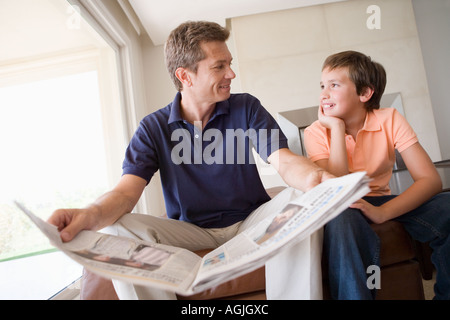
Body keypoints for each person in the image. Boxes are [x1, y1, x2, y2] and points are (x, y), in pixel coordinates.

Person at [48, 21, 333, 300]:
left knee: (300, 196)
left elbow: (283, 161)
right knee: (118, 228)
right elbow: (125, 193)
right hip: (192, 231)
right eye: (219, 66)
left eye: (229, 63)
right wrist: (89, 215)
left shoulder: (246, 107)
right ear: (185, 76)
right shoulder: (153, 127)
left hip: (250, 220)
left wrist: (316, 180)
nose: (231, 73)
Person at [304, 50, 450, 300]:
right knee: (342, 216)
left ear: (365, 93)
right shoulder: (316, 132)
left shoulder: (390, 118)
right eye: (322, 86)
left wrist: (383, 212)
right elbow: (337, 191)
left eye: (334, 85)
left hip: (379, 201)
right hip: (340, 204)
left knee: (448, 206)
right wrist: (336, 128)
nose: (323, 94)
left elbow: (430, 180)